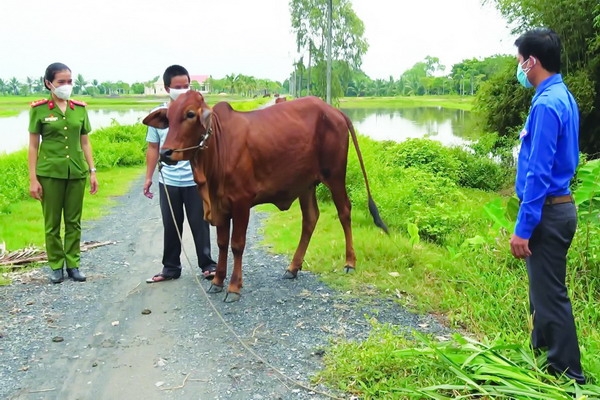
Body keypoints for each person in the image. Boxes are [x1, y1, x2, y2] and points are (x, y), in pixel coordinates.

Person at [510, 28, 585, 385]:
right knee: (542, 292)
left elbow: (539, 174)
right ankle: (542, 358)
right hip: (559, 208)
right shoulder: (562, 96)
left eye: (520, 62)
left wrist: (523, 228)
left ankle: (570, 376)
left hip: (549, 212)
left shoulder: (545, 104)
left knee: (550, 296)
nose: (519, 69)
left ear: (532, 61)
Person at [143, 64, 217, 283]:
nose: (183, 90)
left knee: (200, 223)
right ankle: (171, 267)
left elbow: (212, 143)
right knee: (171, 224)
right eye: (178, 86)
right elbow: (152, 147)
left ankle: (208, 264)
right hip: (168, 179)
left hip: (195, 179)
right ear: (167, 88)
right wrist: (148, 177)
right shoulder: (160, 115)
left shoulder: (199, 114)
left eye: (186, 85)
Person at [28, 62, 98, 284]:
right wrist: (33, 179)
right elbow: (32, 146)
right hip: (49, 173)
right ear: (49, 83)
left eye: (69, 81)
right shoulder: (39, 109)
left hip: (76, 172)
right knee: (52, 223)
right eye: (61, 82)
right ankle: (56, 265)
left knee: (74, 221)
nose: (66, 86)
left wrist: (92, 170)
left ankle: (73, 264)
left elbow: (85, 142)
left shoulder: (79, 108)